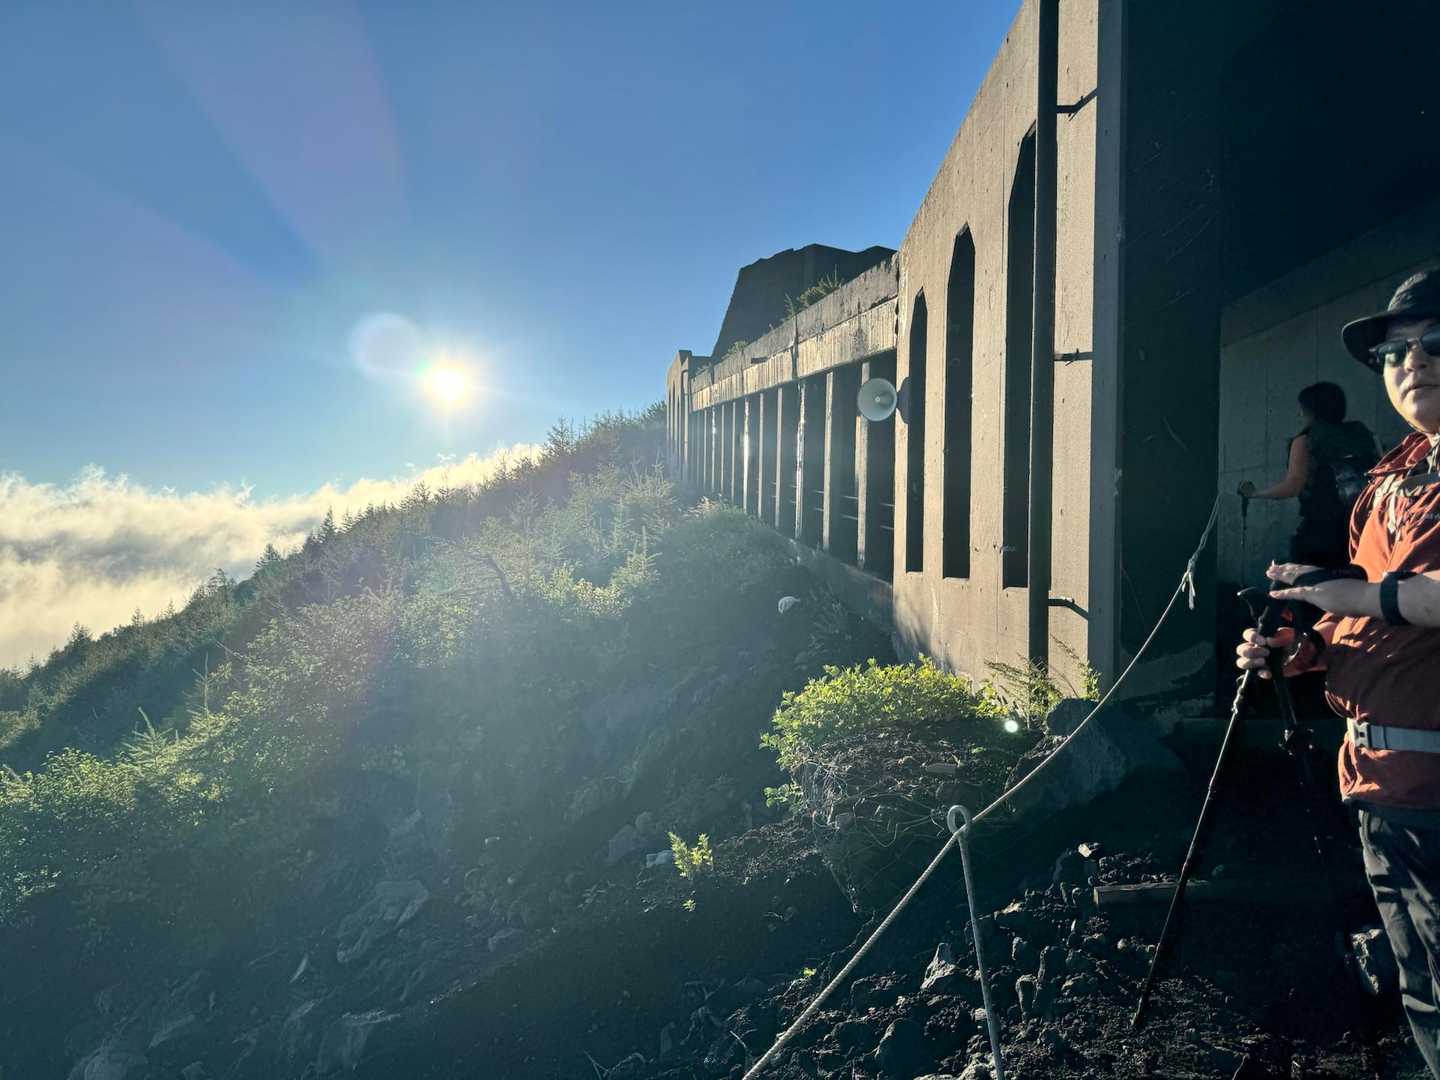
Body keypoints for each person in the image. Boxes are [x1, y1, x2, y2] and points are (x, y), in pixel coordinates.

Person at [1237, 267, 1440, 1079]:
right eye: (1394, 352)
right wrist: (1303, 648)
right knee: (1422, 986)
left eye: (1437, 342)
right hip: (1379, 784)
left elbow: (1374, 594)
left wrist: (1350, 592)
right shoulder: (1388, 480)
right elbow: (1368, 609)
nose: (1413, 361)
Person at [1237, 381, 1378, 568]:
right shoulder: (1362, 435)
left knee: (1306, 581)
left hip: (1320, 531)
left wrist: (1255, 494)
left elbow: (1293, 486)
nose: (1300, 415)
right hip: (1362, 527)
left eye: (1303, 410)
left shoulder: (1306, 440)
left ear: (1312, 411)